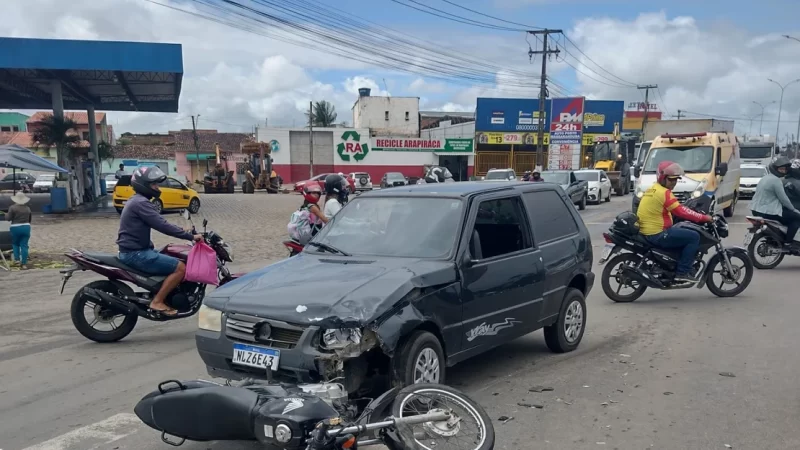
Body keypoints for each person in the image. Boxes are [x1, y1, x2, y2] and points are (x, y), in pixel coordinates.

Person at [116, 166, 202, 316]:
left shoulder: (137, 201)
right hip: (135, 253)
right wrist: (190, 236)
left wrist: (184, 231)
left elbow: (161, 222)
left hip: (136, 251)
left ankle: (165, 293)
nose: (157, 187)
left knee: (170, 255)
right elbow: (162, 225)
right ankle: (157, 301)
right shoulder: (141, 203)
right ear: (143, 185)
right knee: (180, 268)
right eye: (154, 185)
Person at [636, 161, 713, 282]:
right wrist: (703, 218)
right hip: (657, 234)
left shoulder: (653, 189)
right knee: (694, 237)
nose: (674, 183)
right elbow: (681, 211)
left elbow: (673, 208)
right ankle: (682, 272)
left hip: (648, 231)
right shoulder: (664, 193)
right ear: (662, 178)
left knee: (680, 230)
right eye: (671, 180)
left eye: (676, 180)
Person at [751, 156, 800, 249]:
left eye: (784, 169)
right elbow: (784, 199)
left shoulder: (765, 178)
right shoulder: (776, 181)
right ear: (774, 168)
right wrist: (793, 210)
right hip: (768, 211)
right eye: (781, 169)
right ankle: (788, 243)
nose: (783, 171)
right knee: (797, 218)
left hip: (755, 209)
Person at [6, 191, 32, 270]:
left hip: (15, 227)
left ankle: (17, 260)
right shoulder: (28, 208)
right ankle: (24, 264)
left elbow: (8, 218)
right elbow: (29, 219)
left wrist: (5, 215)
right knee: (24, 245)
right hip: (26, 227)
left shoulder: (12, 208)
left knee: (15, 244)